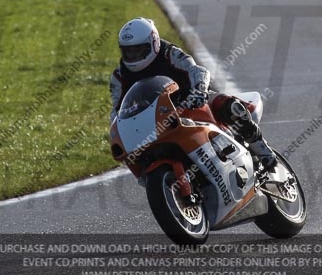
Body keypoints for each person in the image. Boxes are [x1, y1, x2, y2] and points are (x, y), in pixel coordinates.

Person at [109, 17, 278, 170]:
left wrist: (199, 90)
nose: (132, 56)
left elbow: (197, 71)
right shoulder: (119, 76)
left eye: (138, 50)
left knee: (231, 107)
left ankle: (262, 149)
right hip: (154, 119)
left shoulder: (170, 53)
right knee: (138, 157)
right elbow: (116, 110)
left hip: (189, 100)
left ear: (153, 43)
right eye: (128, 51)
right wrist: (118, 131)